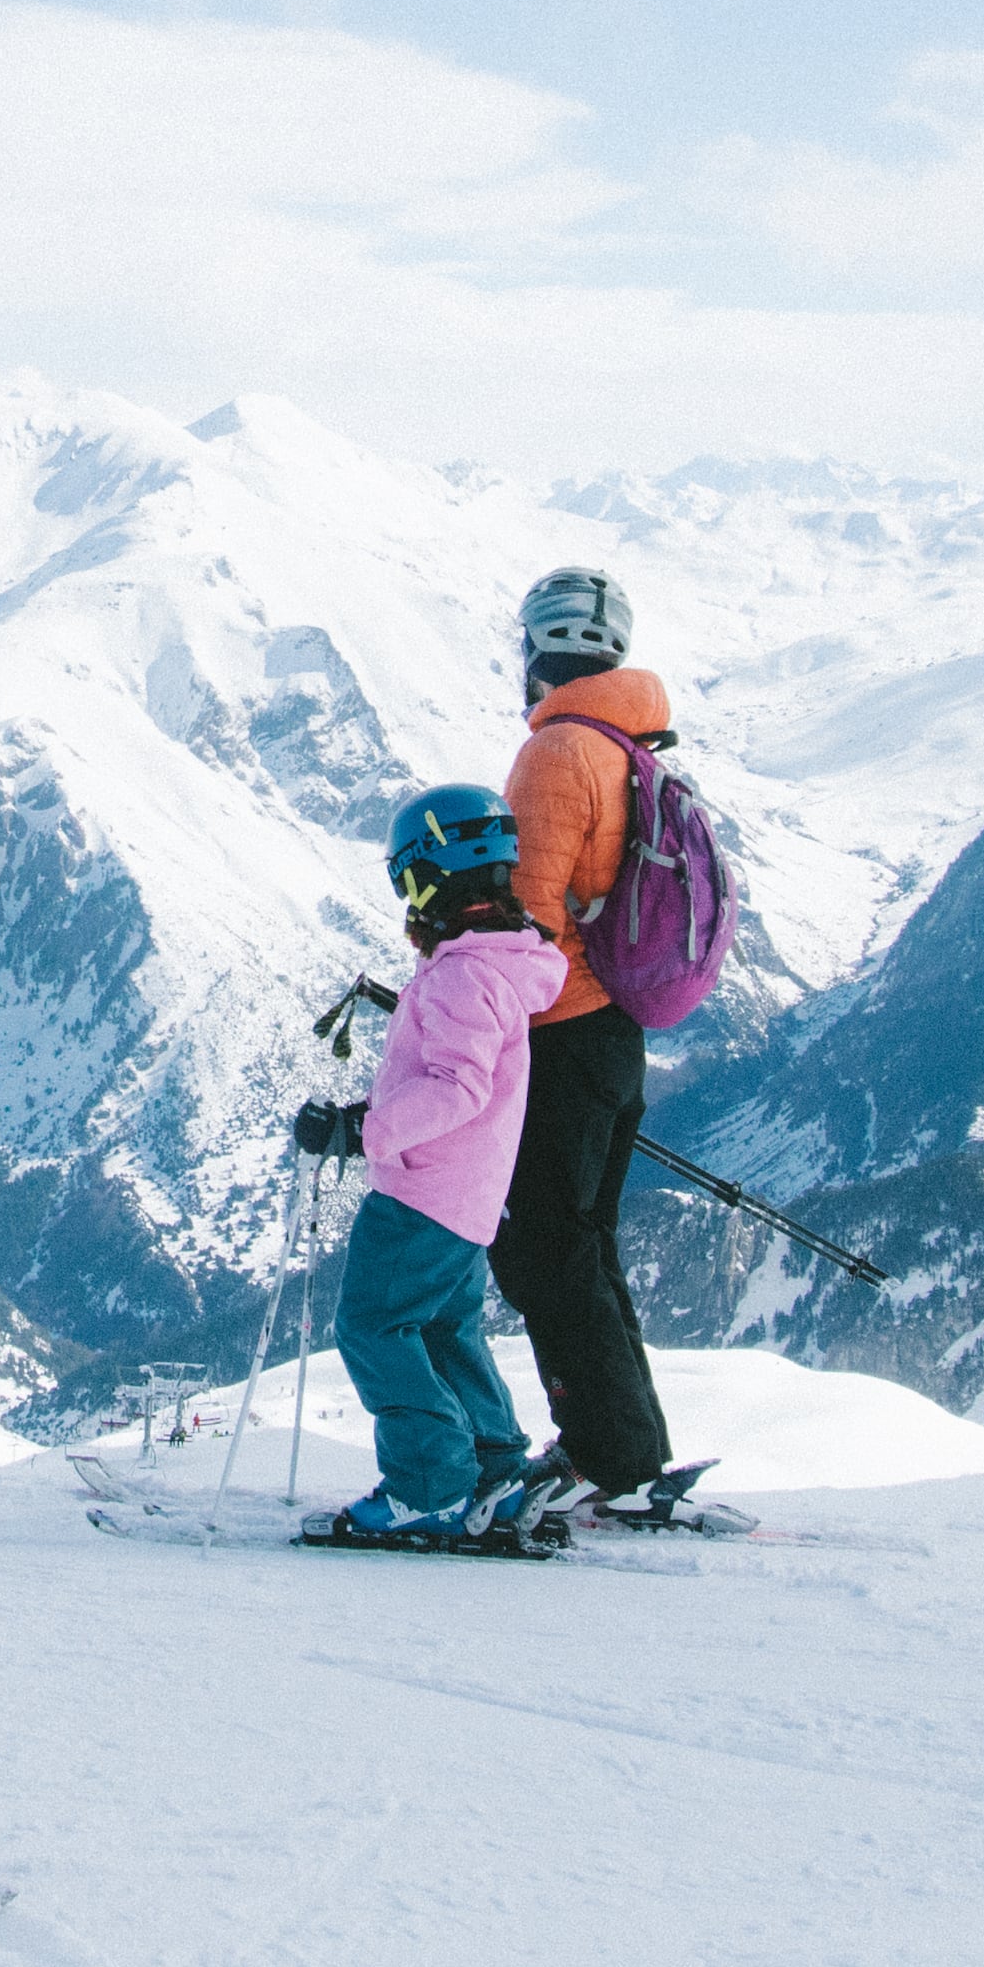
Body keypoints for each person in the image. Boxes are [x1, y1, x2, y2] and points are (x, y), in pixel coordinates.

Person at [317, 786, 572, 1540]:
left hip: (423, 1191)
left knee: (373, 1324)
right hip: (467, 1196)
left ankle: (427, 1484)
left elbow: (457, 1085)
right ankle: (492, 1463)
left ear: (435, 877)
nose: (405, 899)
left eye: (407, 880)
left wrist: (363, 1127)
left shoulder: (464, 974)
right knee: (444, 1330)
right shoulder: (494, 963)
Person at [491, 566, 692, 1515]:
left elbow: (521, 917)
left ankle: (605, 1454)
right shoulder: (626, 743)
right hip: (615, 1027)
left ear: (541, 648)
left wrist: (472, 1026)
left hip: (561, 1030)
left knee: (542, 1250)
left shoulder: (556, 755)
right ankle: (627, 1447)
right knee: (584, 1243)